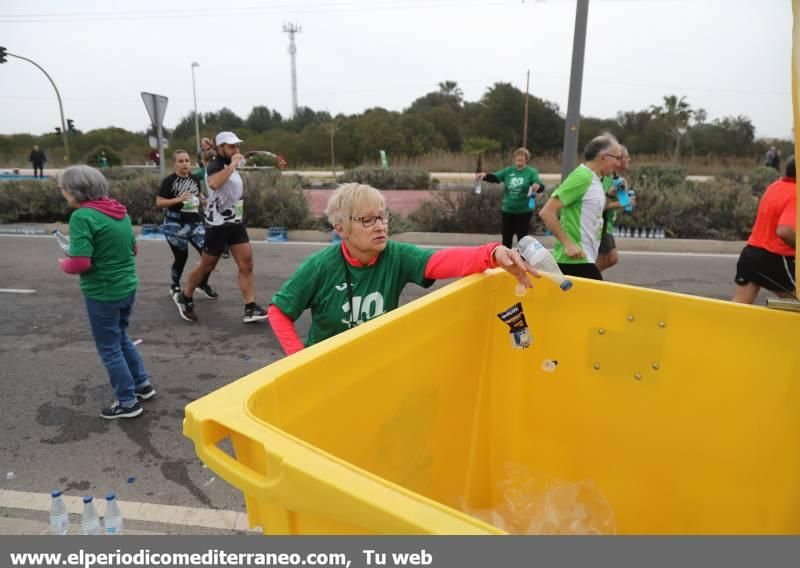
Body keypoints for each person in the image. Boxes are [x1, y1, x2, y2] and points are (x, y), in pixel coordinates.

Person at [268, 183, 540, 355]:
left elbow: (440, 261)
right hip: (325, 369)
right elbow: (279, 311)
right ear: (340, 229)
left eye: (382, 216)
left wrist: (493, 253)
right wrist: (299, 357)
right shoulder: (320, 266)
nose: (380, 225)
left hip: (377, 364)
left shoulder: (394, 255)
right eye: (367, 220)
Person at [57, 165, 155, 419]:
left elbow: (80, 263)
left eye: (64, 188)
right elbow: (133, 249)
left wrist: (66, 261)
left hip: (102, 291)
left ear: (76, 191)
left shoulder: (82, 217)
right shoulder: (118, 211)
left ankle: (127, 401)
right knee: (121, 337)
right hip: (126, 286)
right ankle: (142, 384)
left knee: (109, 347)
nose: (62, 192)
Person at [175, 131, 269, 323]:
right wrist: (233, 164)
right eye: (231, 146)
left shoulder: (227, 164)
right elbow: (215, 184)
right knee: (207, 265)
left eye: (237, 146)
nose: (236, 150)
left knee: (247, 264)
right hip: (217, 225)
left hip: (235, 222)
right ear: (220, 148)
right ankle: (185, 296)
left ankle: (250, 307)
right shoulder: (215, 165)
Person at [538, 134, 622, 281]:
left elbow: (591, 212)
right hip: (574, 261)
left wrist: (609, 196)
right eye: (617, 158)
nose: (619, 164)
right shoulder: (582, 177)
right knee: (600, 302)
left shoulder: (595, 180)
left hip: (585, 259)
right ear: (603, 157)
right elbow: (547, 212)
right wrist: (568, 244)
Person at [732, 158, 796, 303]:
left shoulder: (775, 186)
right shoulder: (795, 194)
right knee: (797, 304)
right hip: (776, 259)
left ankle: (717, 326)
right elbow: (784, 231)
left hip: (751, 254)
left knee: (738, 309)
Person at [156, 149, 217, 302]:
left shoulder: (195, 178)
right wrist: (178, 199)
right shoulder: (169, 181)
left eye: (187, 161)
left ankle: (202, 283)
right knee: (181, 257)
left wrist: (204, 200)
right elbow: (159, 202)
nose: (185, 164)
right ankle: (174, 285)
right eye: (181, 161)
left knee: (210, 255)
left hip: (194, 222)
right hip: (174, 224)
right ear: (174, 164)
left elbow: (197, 194)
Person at [478, 147, 545, 249]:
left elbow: (538, 184)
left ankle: (521, 261)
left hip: (524, 211)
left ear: (526, 159)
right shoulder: (508, 171)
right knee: (506, 238)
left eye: (523, 156)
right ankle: (506, 261)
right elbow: (496, 177)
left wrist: (537, 186)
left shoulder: (531, 172)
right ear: (514, 158)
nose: (520, 158)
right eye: (518, 156)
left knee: (522, 240)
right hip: (508, 210)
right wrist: (485, 176)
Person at [596, 146, 633, 272]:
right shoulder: (606, 179)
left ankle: (588, 281)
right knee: (603, 260)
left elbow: (622, 201)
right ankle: (587, 284)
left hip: (608, 225)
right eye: (626, 157)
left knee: (612, 258)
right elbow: (599, 206)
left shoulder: (617, 178)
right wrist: (621, 204)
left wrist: (625, 200)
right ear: (618, 159)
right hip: (601, 225)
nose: (629, 159)